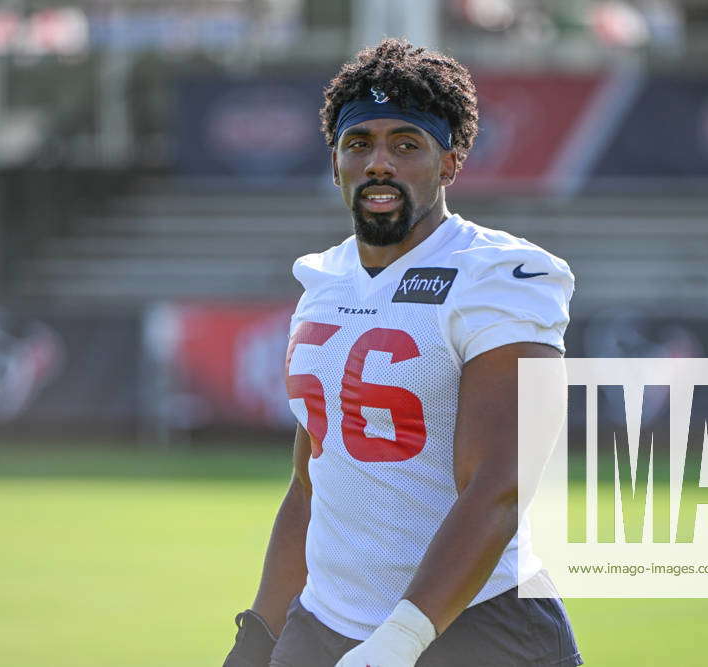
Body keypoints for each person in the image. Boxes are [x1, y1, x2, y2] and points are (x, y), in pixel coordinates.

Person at [223, 38, 581, 667]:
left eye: (406, 144)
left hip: (476, 628)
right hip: (324, 622)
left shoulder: (501, 273)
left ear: (450, 161)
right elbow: (310, 486)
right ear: (336, 162)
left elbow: (499, 486)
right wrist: (259, 635)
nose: (379, 163)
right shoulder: (322, 280)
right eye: (359, 143)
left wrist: (397, 643)